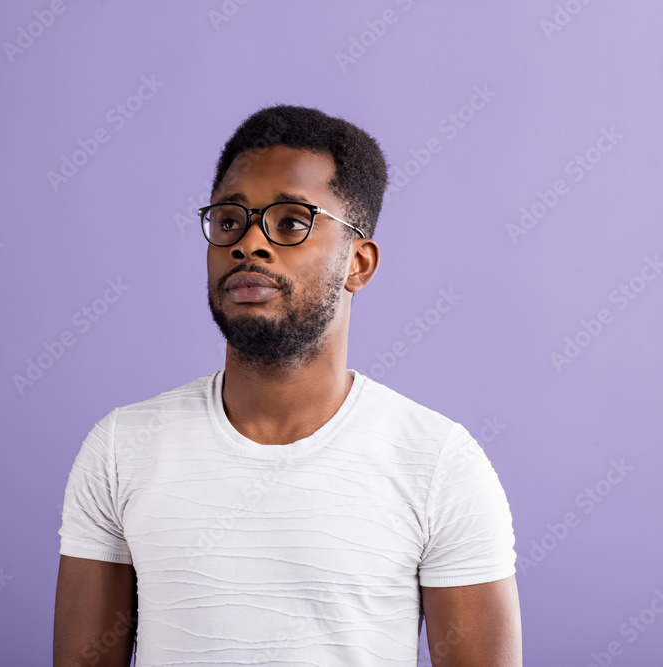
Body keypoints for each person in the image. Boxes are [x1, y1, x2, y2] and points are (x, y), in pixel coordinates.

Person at [53, 104, 522, 666]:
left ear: (359, 263)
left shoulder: (438, 463)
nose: (249, 243)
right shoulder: (121, 449)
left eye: (291, 223)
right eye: (230, 220)